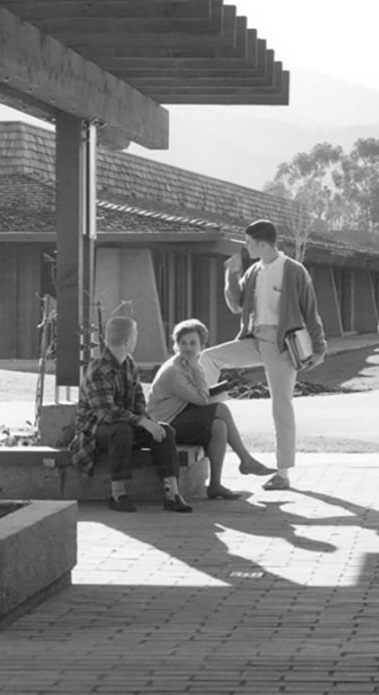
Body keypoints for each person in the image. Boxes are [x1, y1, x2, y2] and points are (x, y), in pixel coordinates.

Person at [200, 220, 326, 492]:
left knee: (281, 407)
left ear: (262, 243)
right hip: (254, 338)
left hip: (282, 345)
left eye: (248, 242)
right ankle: (204, 411)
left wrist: (319, 348)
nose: (246, 247)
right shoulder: (254, 271)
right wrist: (231, 275)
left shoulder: (293, 270)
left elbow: (310, 309)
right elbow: (235, 306)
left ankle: (282, 473)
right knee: (208, 358)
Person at [70, 315, 191, 513]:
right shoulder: (98, 369)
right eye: (135, 335)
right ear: (127, 341)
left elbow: (138, 401)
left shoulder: (128, 363)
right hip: (94, 431)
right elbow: (105, 413)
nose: (137, 339)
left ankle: (172, 493)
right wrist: (141, 422)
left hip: (125, 424)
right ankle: (117, 494)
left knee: (165, 431)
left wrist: (150, 423)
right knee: (122, 430)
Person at [147, 319, 275, 498]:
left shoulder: (187, 365)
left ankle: (215, 485)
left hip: (180, 414)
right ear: (176, 345)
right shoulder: (174, 371)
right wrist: (197, 369)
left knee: (219, 426)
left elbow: (200, 396)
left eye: (193, 343)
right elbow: (202, 399)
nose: (187, 347)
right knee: (220, 409)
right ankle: (246, 460)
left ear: (201, 346)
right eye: (183, 343)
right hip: (165, 424)